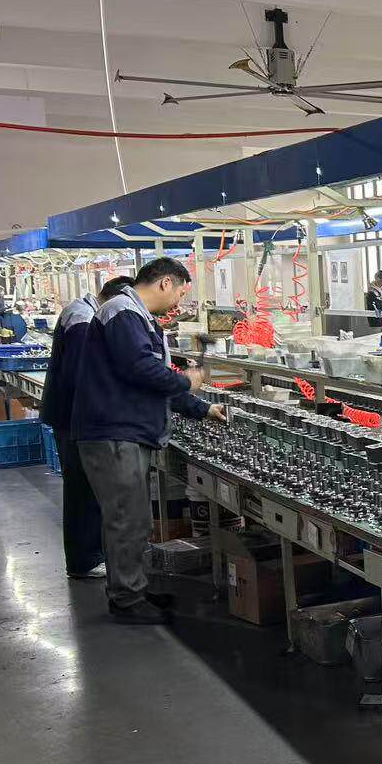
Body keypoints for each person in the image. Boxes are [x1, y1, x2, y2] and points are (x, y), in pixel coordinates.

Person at [73, 257, 227, 625]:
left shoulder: (136, 316)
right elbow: (141, 370)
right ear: (165, 283)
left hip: (125, 431)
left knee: (134, 518)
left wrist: (202, 408)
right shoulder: (123, 313)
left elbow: (153, 380)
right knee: (126, 518)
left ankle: (133, 587)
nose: (178, 303)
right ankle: (127, 600)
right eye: (181, 293)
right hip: (114, 432)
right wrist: (186, 380)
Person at [40, 277, 133, 581]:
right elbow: (83, 372)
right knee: (82, 487)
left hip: (73, 414)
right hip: (74, 417)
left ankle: (90, 555)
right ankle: (85, 561)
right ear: (116, 301)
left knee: (85, 486)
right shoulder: (82, 318)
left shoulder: (85, 311)